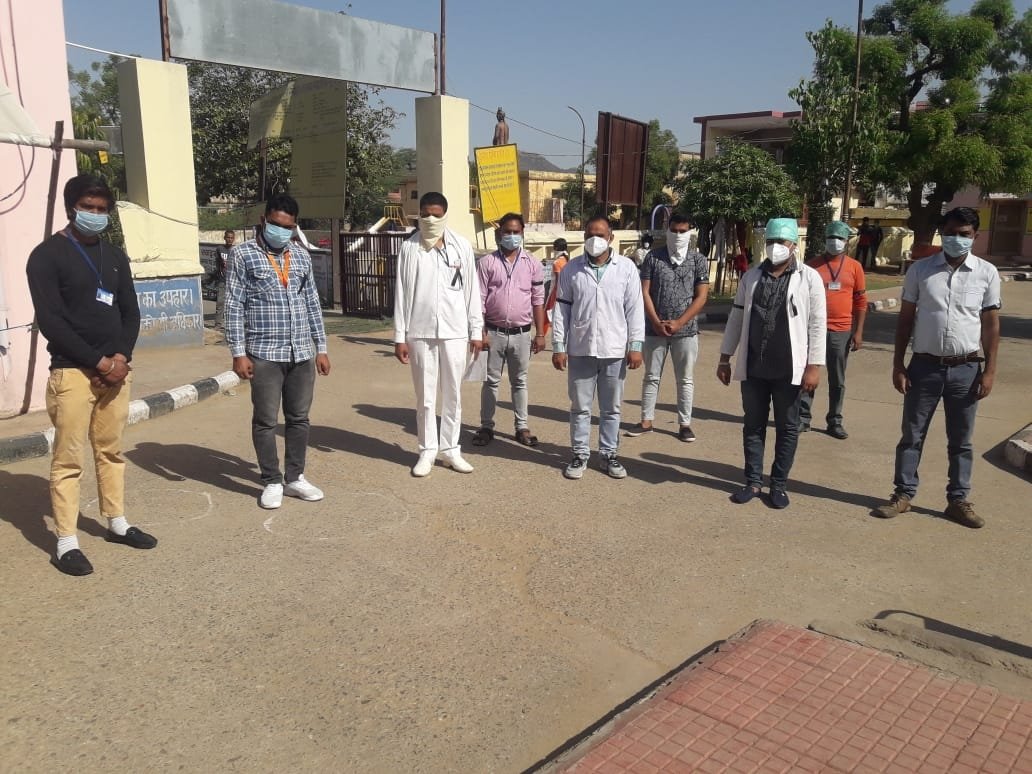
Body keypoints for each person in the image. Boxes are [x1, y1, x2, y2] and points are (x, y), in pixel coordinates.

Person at [26, 174, 155, 576]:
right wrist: (99, 364)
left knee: (111, 450)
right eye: (88, 207)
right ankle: (66, 541)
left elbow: (130, 312)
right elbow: (52, 322)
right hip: (72, 372)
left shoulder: (114, 255)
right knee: (68, 459)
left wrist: (121, 358)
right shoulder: (46, 256)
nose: (96, 215)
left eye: (102, 209)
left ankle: (116, 522)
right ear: (72, 208)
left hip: (116, 372)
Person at [874, 207, 1000, 528]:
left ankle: (958, 500)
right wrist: (898, 364)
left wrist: (989, 371)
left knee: (961, 440)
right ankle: (903, 494)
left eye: (964, 234)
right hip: (924, 367)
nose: (957, 239)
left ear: (975, 236)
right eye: (951, 233)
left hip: (966, 369)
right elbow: (905, 320)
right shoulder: (921, 271)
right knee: (911, 435)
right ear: (941, 233)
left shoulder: (986, 273)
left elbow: (990, 325)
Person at [226, 194, 331, 510]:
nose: (280, 231)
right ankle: (272, 480)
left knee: (299, 419)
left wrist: (321, 348)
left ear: (294, 226)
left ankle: (295, 477)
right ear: (264, 220)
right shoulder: (243, 255)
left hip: (301, 352)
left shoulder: (300, 255)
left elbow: (312, 302)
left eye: (288, 226)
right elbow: (234, 305)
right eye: (275, 224)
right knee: (266, 420)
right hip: (264, 353)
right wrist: (238, 352)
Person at [716, 217, 826, 509]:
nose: (775, 246)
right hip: (754, 367)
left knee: (787, 427)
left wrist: (814, 365)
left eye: (781, 241)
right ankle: (753, 481)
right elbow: (736, 318)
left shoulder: (809, 278)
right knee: (753, 425)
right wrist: (725, 357)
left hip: (789, 369)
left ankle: (778, 485)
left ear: (794, 245)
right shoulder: (751, 277)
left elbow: (818, 323)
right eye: (771, 241)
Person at [393, 192, 484, 477]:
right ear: (419, 214)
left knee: (453, 394)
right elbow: (401, 293)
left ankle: (451, 450)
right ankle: (427, 450)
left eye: (436, 214)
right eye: (425, 214)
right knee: (425, 396)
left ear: (445, 214)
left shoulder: (461, 246)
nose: (430, 219)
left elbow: (472, 291)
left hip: (455, 332)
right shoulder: (410, 248)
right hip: (419, 331)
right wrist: (399, 336)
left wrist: (476, 330)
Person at [552, 215, 645, 479]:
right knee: (580, 407)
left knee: (611, 408)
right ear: (584, 238)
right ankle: (580, 454)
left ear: (611, 237)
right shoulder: (571, 269)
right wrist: (558, 346)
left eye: (600, 235)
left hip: (614, 350)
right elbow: (561, 310)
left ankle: (609, 454)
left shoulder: (626, 268)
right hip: (581, 348)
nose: (595, 239)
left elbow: (635, 309)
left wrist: (635, 345)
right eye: (590, 235)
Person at [627, 214, 710, 442]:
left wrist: (680, 322)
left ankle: (685, 424)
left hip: (686, 331)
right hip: (655, 329)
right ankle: (646, 421)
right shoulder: (653, 257)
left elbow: (701, 296)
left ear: (690, 232)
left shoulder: (698, 260)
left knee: (685, 379)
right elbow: (644, 291)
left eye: (683, 231)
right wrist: (655, 321)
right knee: (651, 376)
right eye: (674, 230)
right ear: (667, 230)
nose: (678, 235)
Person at [472, 213, 546, 447]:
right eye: (507, 232)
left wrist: (540, 333)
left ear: (522, 234)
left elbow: (538, 300)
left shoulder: (533, 264)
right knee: (490, 381)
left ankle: (521, 427)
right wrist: (480, 332)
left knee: (520, 382)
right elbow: (479, 300)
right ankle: (486, 426)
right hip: (493, 333)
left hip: (522, 334)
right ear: (499, 233)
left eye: (516, 232)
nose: (512, 236)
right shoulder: (487, 263)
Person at [798, 221, 867, 439]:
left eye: (839, 238)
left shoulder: (855, 267)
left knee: (837, 379)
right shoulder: (811, 266)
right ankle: (803, 418)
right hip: (813, 329)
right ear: (825, 239)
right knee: (808, 374)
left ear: (846, 241)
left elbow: (861, 301)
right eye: (831, 237)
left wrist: (858, 332)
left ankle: (835, 420)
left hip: (841, 330)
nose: (834, 242)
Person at [213, 229, 235, 331]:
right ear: (224, 238)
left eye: (231, 238)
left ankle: (232, 325)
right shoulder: (220, 249)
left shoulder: (236, 250)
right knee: (220, 302)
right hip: (222, 280)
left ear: (234, 239)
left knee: (233, 304)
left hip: (234, 282)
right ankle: (218, 324)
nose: (230, 239)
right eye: (228, 237)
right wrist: (219, 273)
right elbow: (217, 262)